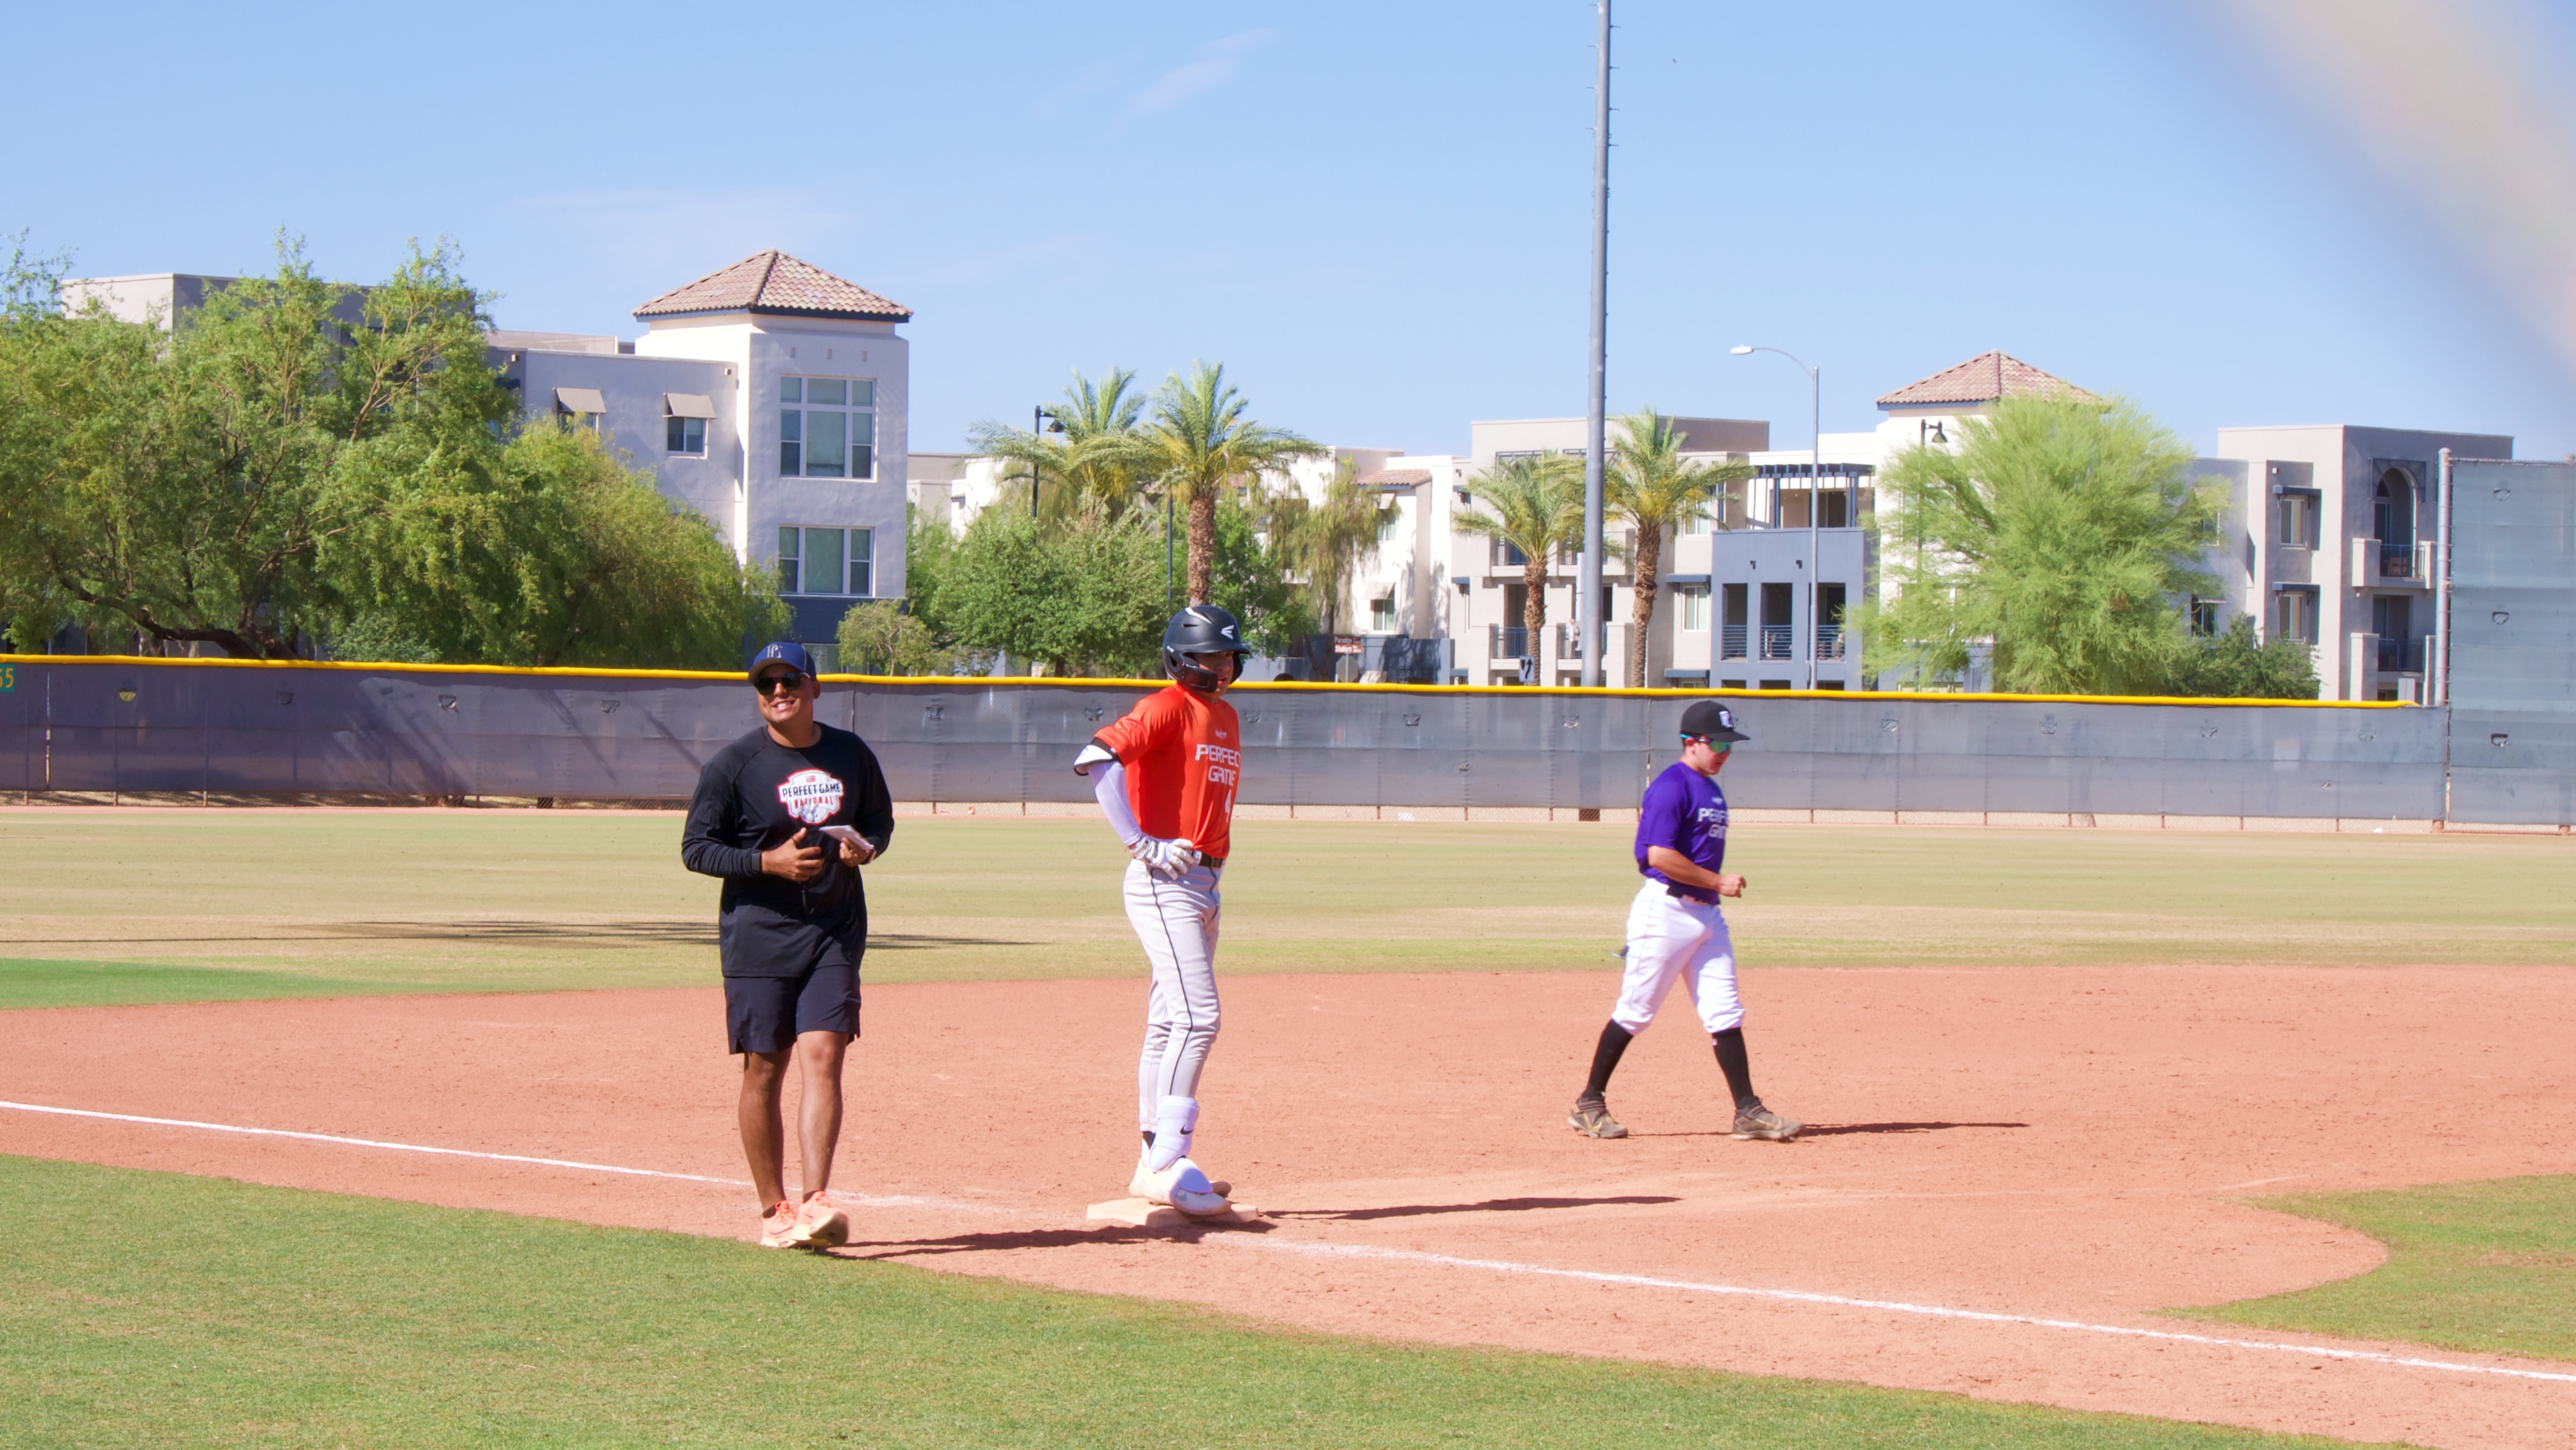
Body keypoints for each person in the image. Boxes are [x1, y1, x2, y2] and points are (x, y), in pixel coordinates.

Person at [682, 641, 895, 1249]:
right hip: (757, 936)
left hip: (833, 928)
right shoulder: (732, 766)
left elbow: (878, 820)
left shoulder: (849, 753)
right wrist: (766, 861)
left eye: (790, 679)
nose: (779, 690)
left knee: (825, 1054)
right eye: (767, 682)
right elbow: (697, 849)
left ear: (813, 687)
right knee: (764, 1069)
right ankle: (774, 1208)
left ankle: (816, 1199)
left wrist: (866, 847)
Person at [1071, 604, 1248, 1217]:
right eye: (1208, 656)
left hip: (1205, 884)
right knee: (1199, 1018)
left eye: (1227, 656)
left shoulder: (1223, 716)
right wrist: (1138, 842)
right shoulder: (1163, 706)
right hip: (1163, 881)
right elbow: (1096, 760)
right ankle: (1167, 1159)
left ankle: (1153, 1157)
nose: (1220, 666)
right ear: (1180, 657)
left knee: (1168, 1022)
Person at [1567, 700, 1801, 1143]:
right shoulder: (1672, 787)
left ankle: (1748, 1111)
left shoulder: (1710, 787)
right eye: (1718, 744)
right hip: (1667, 912)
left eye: (1730, 746)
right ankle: (1589, 1103)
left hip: (1707, 915)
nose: (1725, 753)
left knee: (1725, 1011)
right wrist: (1717, 880)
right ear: (1690, 742)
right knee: (1636, 1011)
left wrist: (1712, 889)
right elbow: (1658, 855)